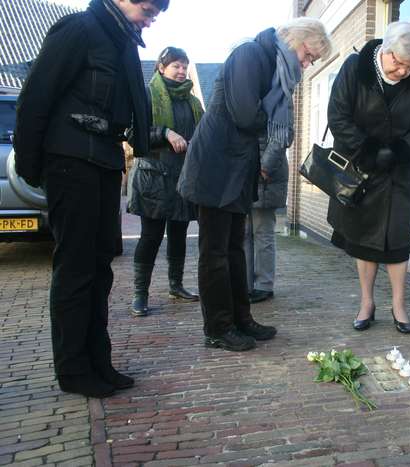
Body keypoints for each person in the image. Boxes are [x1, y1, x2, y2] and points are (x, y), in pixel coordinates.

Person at [13, 0, 168, 398]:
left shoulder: (122, 42)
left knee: (100, 265)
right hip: (70, 161)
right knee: (76, 266)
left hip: (104, 161)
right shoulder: (79, 29)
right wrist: (32, 166)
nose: (151, 18)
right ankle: (73, 368)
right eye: (148, 9)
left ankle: (98, 359)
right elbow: (36, 96)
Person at [177, 18, 332, 351]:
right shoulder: (250, 54)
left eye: (312, 60)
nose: (307, 64)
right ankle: (218, 328)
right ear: (295, 39)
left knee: (235, 248)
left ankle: (241, 319)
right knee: (215, 251)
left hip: (237, 166)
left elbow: (254, 116)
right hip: (216, 164)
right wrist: (272, 119)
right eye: (308, 55)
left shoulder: (274, 67)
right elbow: (245, 115)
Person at [326, 21, 410, 334]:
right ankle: (367, 303)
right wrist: (369, 150)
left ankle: (399, 306)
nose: (403, 71)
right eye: (399, 63)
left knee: (398, 241)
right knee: (364, 239)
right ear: (386, 50)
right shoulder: (355, 69)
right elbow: (338, 116)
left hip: (400, 173)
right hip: (362, 170)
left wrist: (401, 150)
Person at [127, 47, 204, 317]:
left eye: (184, 66)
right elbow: (132, 133)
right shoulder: (148, 96)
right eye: (175, 66)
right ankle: (140, 294)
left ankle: (176, 285)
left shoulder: (193, 102)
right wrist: (165, 132)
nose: (181, 71)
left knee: (179, 234)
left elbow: (203, 133)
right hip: (153, 178)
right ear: (161, 68)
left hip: (182, 177)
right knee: (151, 236)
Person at [243, 133, 288, 304]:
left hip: (266, 177)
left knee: (263, 232)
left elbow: (281, 137)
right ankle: (245, 284)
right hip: (245, 172)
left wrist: (264, 167)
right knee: (244, 233)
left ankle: (264, 285)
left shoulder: (279, 115)